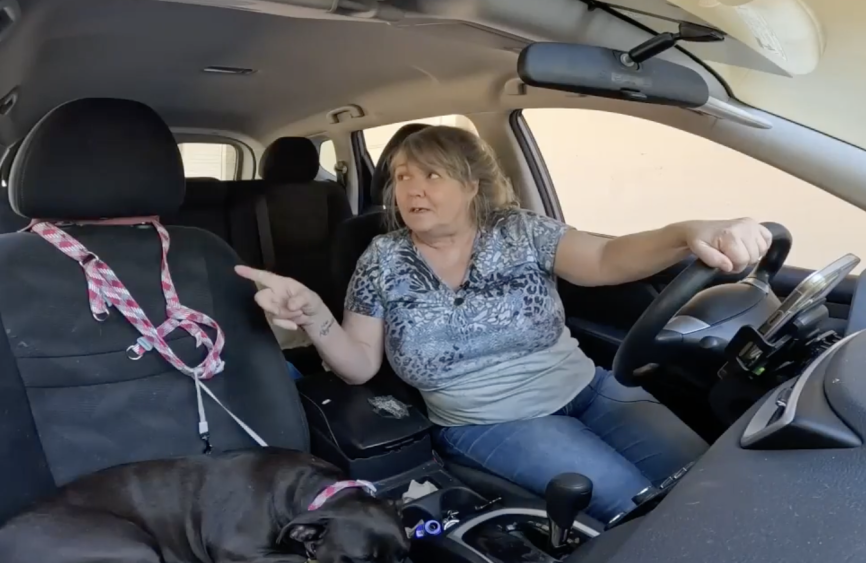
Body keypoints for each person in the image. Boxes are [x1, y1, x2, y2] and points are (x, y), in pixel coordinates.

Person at [235, 125, 772, 523]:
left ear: (472, 187)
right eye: (402, 177)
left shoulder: (519, 230)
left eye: (432, 175)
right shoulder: (381, 259)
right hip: (491, 419)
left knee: (712, 478)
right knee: (643, 509)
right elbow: (358, 365)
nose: (412, 189)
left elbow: (607, 259)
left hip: (590, 389)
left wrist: (687, 231)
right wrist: (314, 316)